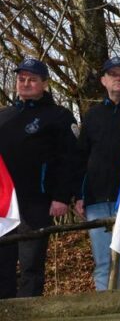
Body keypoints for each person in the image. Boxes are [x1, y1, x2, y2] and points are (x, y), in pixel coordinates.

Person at [0, 58, 78, 298]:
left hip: (37, 201)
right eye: (21, 79)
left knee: (31, 264)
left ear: (44, 83)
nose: (25, 83)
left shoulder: (58, 116)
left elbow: (69, 160)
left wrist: (61, 196)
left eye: (32, 79)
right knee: (3, 265)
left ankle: (29, 313)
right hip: (4, 204)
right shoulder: (4, 117)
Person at [74, 57, 120, 290]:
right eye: (112, 74)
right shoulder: (93, 116)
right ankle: (106, 310)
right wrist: (79, 195)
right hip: (97, 200)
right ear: (103, 80)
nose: (118, 78)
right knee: (103, 261)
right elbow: (81, 157)